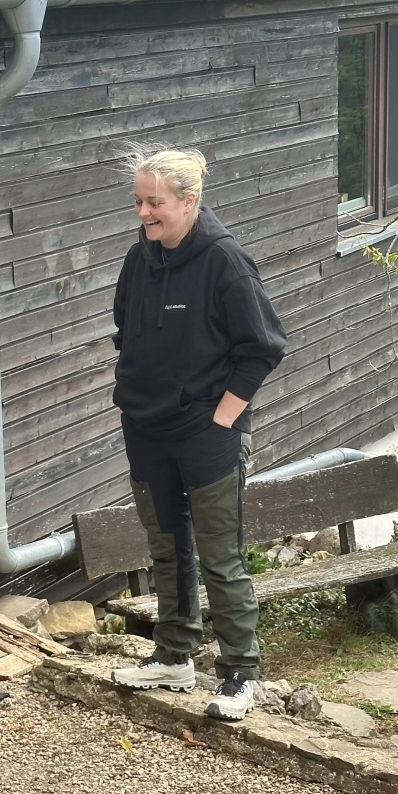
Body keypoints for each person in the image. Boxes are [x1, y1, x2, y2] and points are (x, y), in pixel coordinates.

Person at [109, 147, 287, 720]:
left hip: (208, 433)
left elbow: (263, 347)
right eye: (138, 201)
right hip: (145, 430)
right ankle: (174, 655)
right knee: (166, 549)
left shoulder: (225, 262)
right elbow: (124, 330)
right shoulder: (139, 260)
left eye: (154, 202)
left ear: (189, 201)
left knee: (220, 556)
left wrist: (224, 416)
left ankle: (240, 673)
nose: (143, 212)